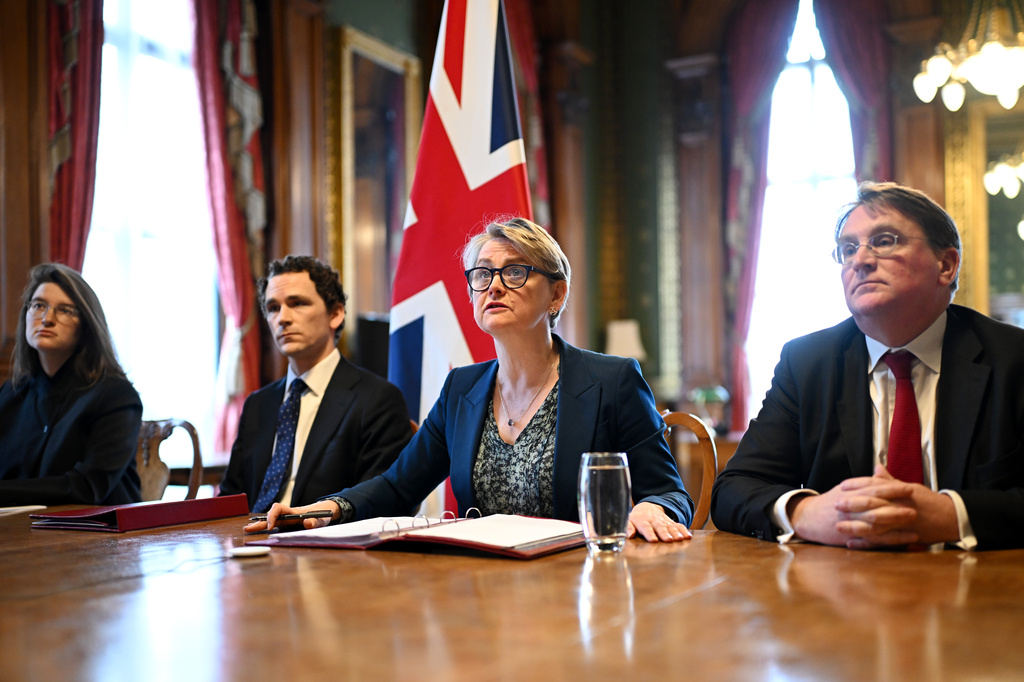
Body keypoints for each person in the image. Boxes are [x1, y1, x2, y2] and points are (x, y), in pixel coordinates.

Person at [246, 217, 693, 542]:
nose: (494, 286)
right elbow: (398, 485)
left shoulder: (611, 380)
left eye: (515, 271)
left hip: (578, 587)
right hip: (481, 590)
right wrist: (328, 508)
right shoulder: (462, 388)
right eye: (482, 275)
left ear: (556, 293)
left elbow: (671, 493)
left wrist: (653, 505)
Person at [711, 182, 1024, 551]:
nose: (860, 260)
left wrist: (951, 515)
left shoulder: (1013, 358)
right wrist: (805, 512)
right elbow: (734, 488)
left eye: (885, 241)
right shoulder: (807, 363)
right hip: (840, 591)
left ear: (946, 264)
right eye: (847, 249)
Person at [219, 255, 413, 512]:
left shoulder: (377, 399)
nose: (282, 318)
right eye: (273, 308)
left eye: (297, 303)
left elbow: (379, 499)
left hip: (324, 542)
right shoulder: (258, 403)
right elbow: (231, 499)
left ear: (335, 314)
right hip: (248, 542)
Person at [0, 263, 142, 505]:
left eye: (65, 310)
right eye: (38, 305)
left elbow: (87, 488)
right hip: (20, 534)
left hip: (98, 538)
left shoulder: (116, 396)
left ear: (86, 325)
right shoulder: (11, 394)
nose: (47, 319)